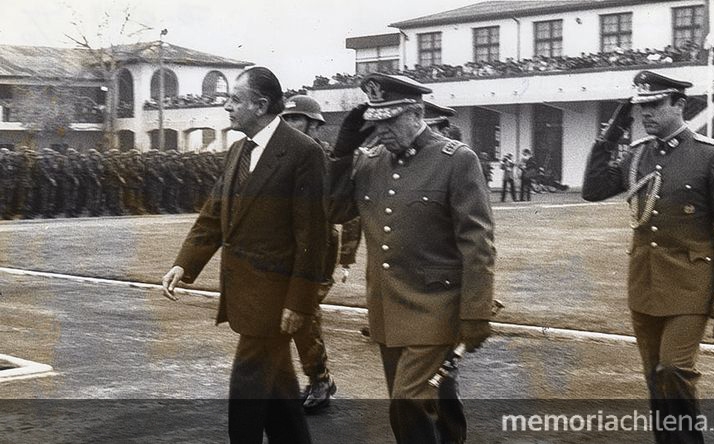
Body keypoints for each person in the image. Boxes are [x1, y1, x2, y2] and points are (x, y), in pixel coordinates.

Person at [161, 66, 327, 444]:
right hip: (244, 292)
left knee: (248, 388)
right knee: (280, 393)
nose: (227, 106)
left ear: (261, 104)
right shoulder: (239, 149)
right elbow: (214, 214)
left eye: (235, 99)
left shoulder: (304, 153)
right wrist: (183, 264)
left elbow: (312, 236)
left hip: (275, 299)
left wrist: (299, 303)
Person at [328, 73, 496, 444]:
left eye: (390, 120)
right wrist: (341, 155)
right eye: (376, 121)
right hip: (388, 308)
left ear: (417, 112)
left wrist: (476, 311)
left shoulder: (456, 160)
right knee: (429, 398)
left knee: (408, 402)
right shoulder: (369, 161)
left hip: (438, 306)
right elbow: (335, 211)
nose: (382, 129)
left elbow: (477, 242)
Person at [582, 70, 714, 444]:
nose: (646, 114)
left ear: (679, 104)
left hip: (691, 285)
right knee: (655, 379)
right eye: (640, 107)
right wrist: (614, 129)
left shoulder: (709, 155)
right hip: (644, 284)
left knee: (674, 369)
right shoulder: (637, 154)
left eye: (655, 105)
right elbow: (592, 190)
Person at [279, 94, 338, 412]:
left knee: (304, 316)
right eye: (286, 119)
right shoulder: (287, 156)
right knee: (292, 318)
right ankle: (318, 379)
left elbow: (337, 213)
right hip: (290, 249)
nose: (289, 125)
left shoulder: (319, 157)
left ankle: (320, 380)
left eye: (296, 120)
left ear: (315, 126)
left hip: (317, 249)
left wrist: (345, 258)